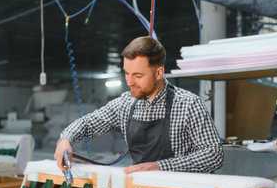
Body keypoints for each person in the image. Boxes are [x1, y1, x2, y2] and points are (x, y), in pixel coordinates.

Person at [54, 36, 223, 174]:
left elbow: (214, 155)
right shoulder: (125, 104)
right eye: (127, 73)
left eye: (138, 75)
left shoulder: (188, 104)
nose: (130, 82)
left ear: (159, 73)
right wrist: (66, 139)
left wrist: (159, 166)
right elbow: (88, 123)